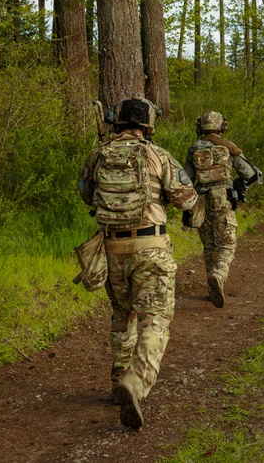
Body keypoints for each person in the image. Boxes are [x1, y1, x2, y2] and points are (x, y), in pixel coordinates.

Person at [78, 93, 198, 430]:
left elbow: (85, 194)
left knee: (122, 314)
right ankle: (136, 381)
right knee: (155, 319)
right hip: (151, 248)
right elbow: (187, 200)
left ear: (117, 121)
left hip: (111, 250)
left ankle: (119, 379)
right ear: (148, 124)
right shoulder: (158, 155)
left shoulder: (98, 154)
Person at [185, 110, 261, 309]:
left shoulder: (194, 148)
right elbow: (249, 173)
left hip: (201, 202)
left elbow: (186, 179)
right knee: (227, 244)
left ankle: (212, 290)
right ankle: (219, 274)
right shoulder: (228, 147)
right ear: (221, 126)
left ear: (201, 127)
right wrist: (238, 187)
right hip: (224, 200)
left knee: (209, 246)